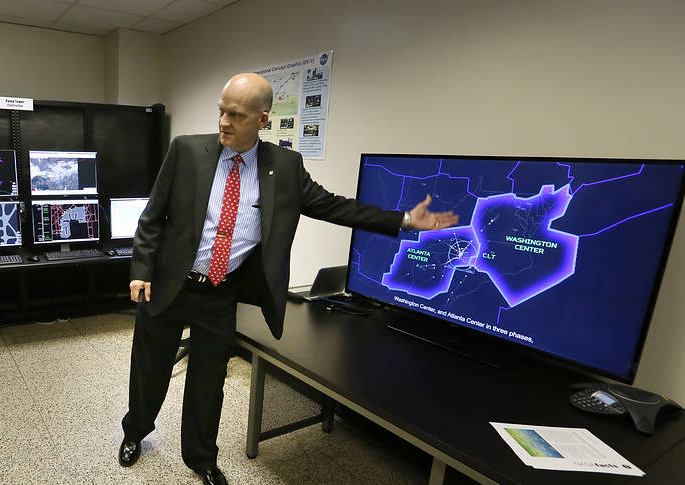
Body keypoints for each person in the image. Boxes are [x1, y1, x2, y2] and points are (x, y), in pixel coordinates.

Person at [118, 73, 458, 485]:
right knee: (149, 370)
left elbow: (334, 207)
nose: (224, 121)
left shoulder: (285, 166)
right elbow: (152, 218)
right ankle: (136, 431)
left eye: (236, 115)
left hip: (220, 295)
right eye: (221, 111)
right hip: (169, 285)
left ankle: (202, 459)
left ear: (263, 120)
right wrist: (141, 271)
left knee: (210, 384)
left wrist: (403, 220)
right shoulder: (186, 150)